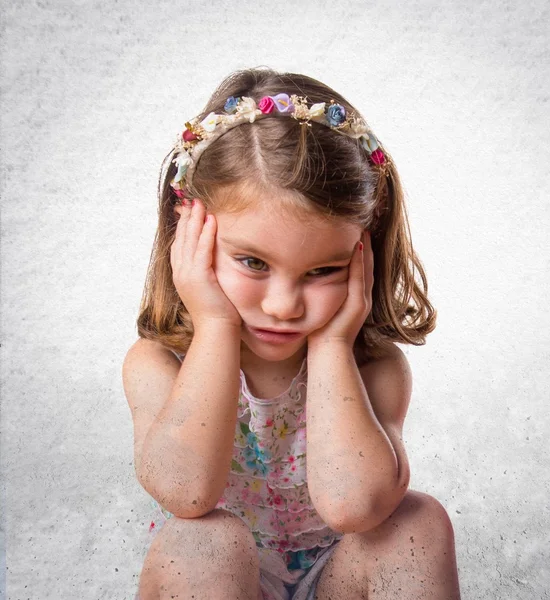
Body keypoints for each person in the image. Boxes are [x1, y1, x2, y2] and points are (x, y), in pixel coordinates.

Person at [122, 67, 461, 600]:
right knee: (205, 541)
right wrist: (214, 324)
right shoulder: (158, 363)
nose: (283, 306)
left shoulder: (375, 367)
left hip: (337, 583)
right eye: (253, 261)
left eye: (322, 271)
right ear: (188, 228)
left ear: (361, 255)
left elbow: (355, 504)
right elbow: (185, 493)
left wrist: (331, 346)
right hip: (224, 584)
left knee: (415, 521)